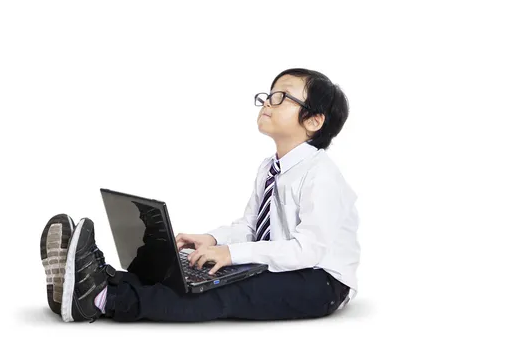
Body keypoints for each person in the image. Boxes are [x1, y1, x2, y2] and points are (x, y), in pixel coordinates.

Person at [39, 68, 360, 323]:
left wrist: (232, 255)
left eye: (282, 97)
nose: (268, 102)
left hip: (321, 282)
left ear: (314, 120)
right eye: (269, 94)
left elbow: (308, 251)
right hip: (286, 266)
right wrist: (212, 240)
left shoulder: (322, 175)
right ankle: (94, 283)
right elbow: (249, 227)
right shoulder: (269, 168)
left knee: (227, 289)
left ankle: (103, 300)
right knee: (190, 271)